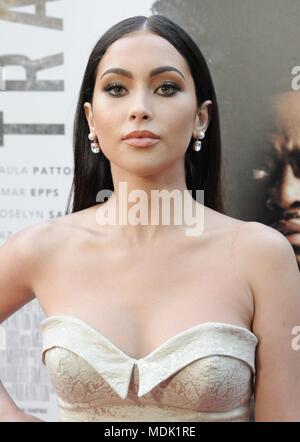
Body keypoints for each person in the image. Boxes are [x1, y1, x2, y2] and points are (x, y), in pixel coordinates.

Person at [0, 15, 300, 422]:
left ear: (201, 117)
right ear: (91, 117)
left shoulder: (260, 255)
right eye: (117, 89)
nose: (140, 108)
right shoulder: (41, 248)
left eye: (166, 88)